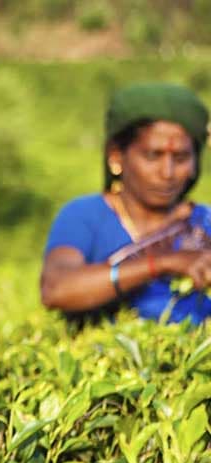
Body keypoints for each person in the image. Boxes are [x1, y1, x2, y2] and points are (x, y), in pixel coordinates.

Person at [41, 82, 211, 323]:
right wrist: (162, 263)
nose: (168, 172)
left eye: (181, 157)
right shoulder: (85, 217)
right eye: (153, 155)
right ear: (116, 155)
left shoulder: (203, 224)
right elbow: (56, 290)